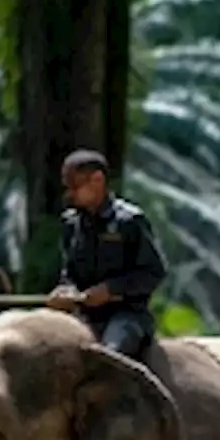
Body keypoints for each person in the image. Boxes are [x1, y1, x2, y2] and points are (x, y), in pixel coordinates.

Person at [46, 148, 168, 360]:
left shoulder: (129, 221)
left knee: (108, 357)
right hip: (83, 316)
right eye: (67, 187)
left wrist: (111, 290)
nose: (69, 194)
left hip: (127, 316)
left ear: (97, 180)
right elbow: (69, 272)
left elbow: (154, 272)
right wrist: (66, 291)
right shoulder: (71, 224)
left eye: (75, 186)